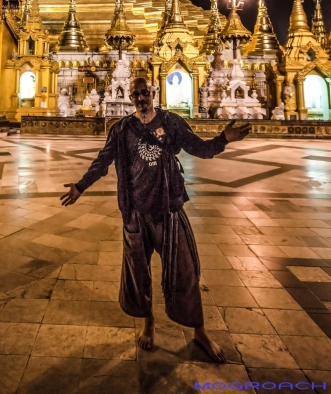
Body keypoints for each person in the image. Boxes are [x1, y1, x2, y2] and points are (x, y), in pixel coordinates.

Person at [61, 76, 250, 361]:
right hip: (135, 212)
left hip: (169, 209)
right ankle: (148, 322)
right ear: (130, 96)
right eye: (136, 94)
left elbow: (199, 148)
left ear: (154, 93)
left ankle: (199, 332)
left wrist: (224, 139)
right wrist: (80, 186)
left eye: (144, 92)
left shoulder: (171, 123)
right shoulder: (122, 128)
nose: (140, 97)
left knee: (186, 271)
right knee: (138, 273)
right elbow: (103, 161)